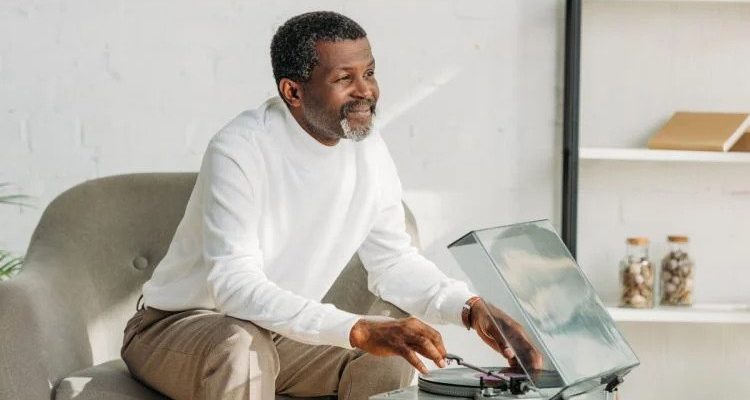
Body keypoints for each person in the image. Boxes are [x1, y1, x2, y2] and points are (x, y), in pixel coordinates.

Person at [121, 11, 542, 400]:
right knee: (242, 347)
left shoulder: (369, 150)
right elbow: (235, 287)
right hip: (176, 328)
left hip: (273, 335)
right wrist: (356, 328)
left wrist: (470, 309)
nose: (367, 92)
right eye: (345, 78)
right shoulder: (240, 149)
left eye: (370, 72)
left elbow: (393, 263)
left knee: (394, 354)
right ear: (293, 91)